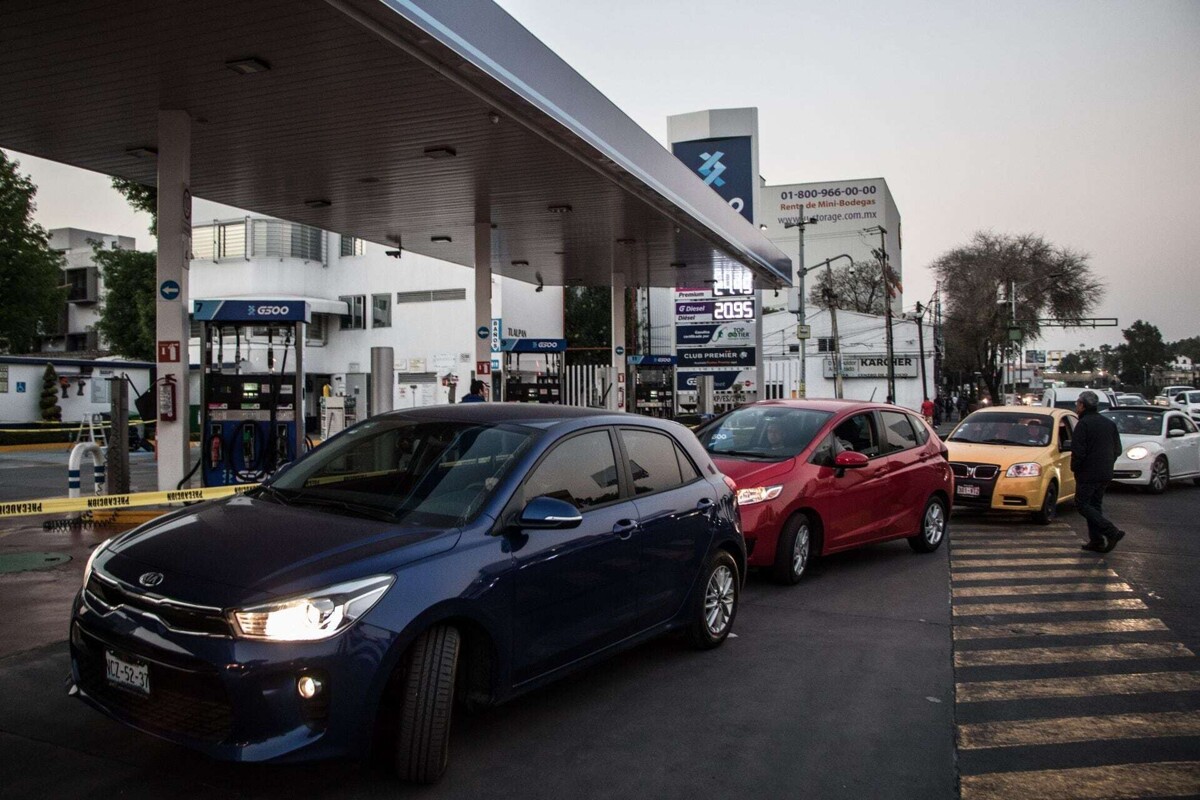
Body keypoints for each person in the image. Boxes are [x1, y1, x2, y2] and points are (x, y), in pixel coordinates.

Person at [1071, 390, 1126, 552]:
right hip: (1105, 472)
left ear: (1082, 405)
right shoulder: (1108, 423)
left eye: (1077, 404)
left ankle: (1111, 531)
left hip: (1088, 473)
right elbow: (1118, 449)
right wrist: (1108, 463)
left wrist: (1075, 468)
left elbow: (1078, 452)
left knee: (1082, 505)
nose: (1076, 406)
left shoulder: (1083, 424)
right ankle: (1096, 540)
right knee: (1094, 505)